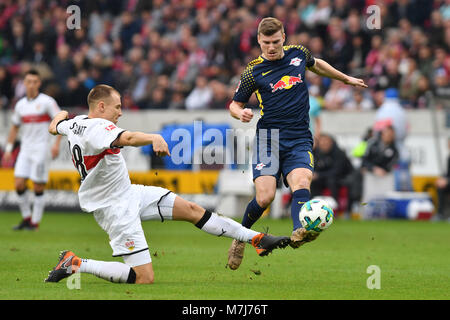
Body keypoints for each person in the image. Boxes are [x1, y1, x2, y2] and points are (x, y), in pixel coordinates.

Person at [44, 84, 290, 285]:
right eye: (117, 107)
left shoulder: (76, 124)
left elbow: (54, 125)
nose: (120, 113)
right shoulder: (99, 127)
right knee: (143, 278)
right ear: (101, 106)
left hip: (129, 193)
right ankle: (75, 263)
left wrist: (63, 116)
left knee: (192, 210)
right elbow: (127, 138)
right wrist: (154, 136)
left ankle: (256, 238)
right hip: (114, 209)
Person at [227, 17, 367, 270]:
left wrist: (345, 79)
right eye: (266, 42)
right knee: (266, 196)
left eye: (276, 42)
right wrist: (241, 114)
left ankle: (298, 231)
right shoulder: (252, 72)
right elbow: (235, 104)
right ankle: (240, 236)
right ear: (259, 40)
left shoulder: (298, 54)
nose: (271, 47)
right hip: (268, 140)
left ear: (284, 38)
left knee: (301, 183)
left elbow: (317, 65)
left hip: (300, 137)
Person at [1, 69, 62, 231]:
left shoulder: (47, 102)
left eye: (35, 81)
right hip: (25, 149)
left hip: (42, 148)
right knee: (19, 183)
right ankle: (27, 218)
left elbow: (60, 120)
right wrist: (8, 149)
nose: (32, 84)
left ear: (39, 83)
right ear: (24, 83)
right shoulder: (20, 105)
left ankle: (35, 223)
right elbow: (14, 128)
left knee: (37, 186)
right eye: (29, 81)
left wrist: (56, 144)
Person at [310, 133, 353, 211]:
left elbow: (337, 171)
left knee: (331, 181)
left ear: (331, 142)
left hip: (339, 178)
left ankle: (335, 206)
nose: (324, 144)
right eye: (321, 142)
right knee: (312, 182)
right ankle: (313, 206)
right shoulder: (315, 153)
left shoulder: (339, 153)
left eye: (326, 141)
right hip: (321, 179)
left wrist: (319, 175)